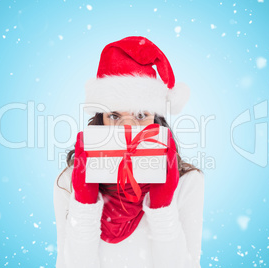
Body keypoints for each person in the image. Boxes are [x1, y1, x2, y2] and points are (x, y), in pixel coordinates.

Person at [53, 36, 205, 267]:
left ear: (156, 119)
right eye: (114, 116)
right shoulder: (69, 181)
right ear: (101, 120)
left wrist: (162, 207)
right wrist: (84, 204)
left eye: (141, 115)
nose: (128, 128)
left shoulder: (188, 183)